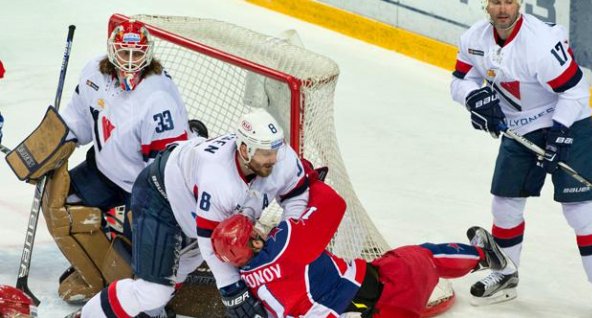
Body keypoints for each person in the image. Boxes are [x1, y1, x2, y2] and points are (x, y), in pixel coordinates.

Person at [5, 19, 190, 303]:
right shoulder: (94, 73)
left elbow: (165, 170)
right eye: (124, 53)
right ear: (111, 51)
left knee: (140, 246)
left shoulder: (159, 98)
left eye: (137, 53)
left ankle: (129, 289)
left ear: (148, 54)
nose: (129, 61)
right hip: (103, 171)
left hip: (146, 186)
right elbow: (77, 118)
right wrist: (53, 145)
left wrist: (140, 209)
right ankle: (95, 271)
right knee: (57, 202)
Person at [449, 0, 592, 316]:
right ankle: (507, 272)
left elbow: (576, 91)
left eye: (509, 1)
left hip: (570, 121)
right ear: (486, 4)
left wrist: (561, 133)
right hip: (519, 128)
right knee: (505, 205)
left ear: (519, 4)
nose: (502, 9)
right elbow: (460, 80)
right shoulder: (474, 39)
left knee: (580, 212)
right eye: (496, 1)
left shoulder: (539, 44)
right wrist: (473, 97)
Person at [78, 108, 310, 318]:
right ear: (244, 150)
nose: (274, 158)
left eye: (276, 148)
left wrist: (289, 246)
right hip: (160, 195)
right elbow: (210, 243)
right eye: (265, 153)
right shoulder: (219, 178)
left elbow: (297, 196)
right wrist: (232, 289)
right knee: (154, 290)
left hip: (196, 199)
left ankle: (149, 315)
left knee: (185, 264)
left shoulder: (283, 159)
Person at [210, 176, 516, 318]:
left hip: (363, 311)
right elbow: (332, 204)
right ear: (254, 242)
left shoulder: (247, 281)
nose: (260, 229)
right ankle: (484, 255)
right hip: (390, 294)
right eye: (254, 233)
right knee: (419, 257)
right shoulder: (283, 246)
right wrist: (308, 180)